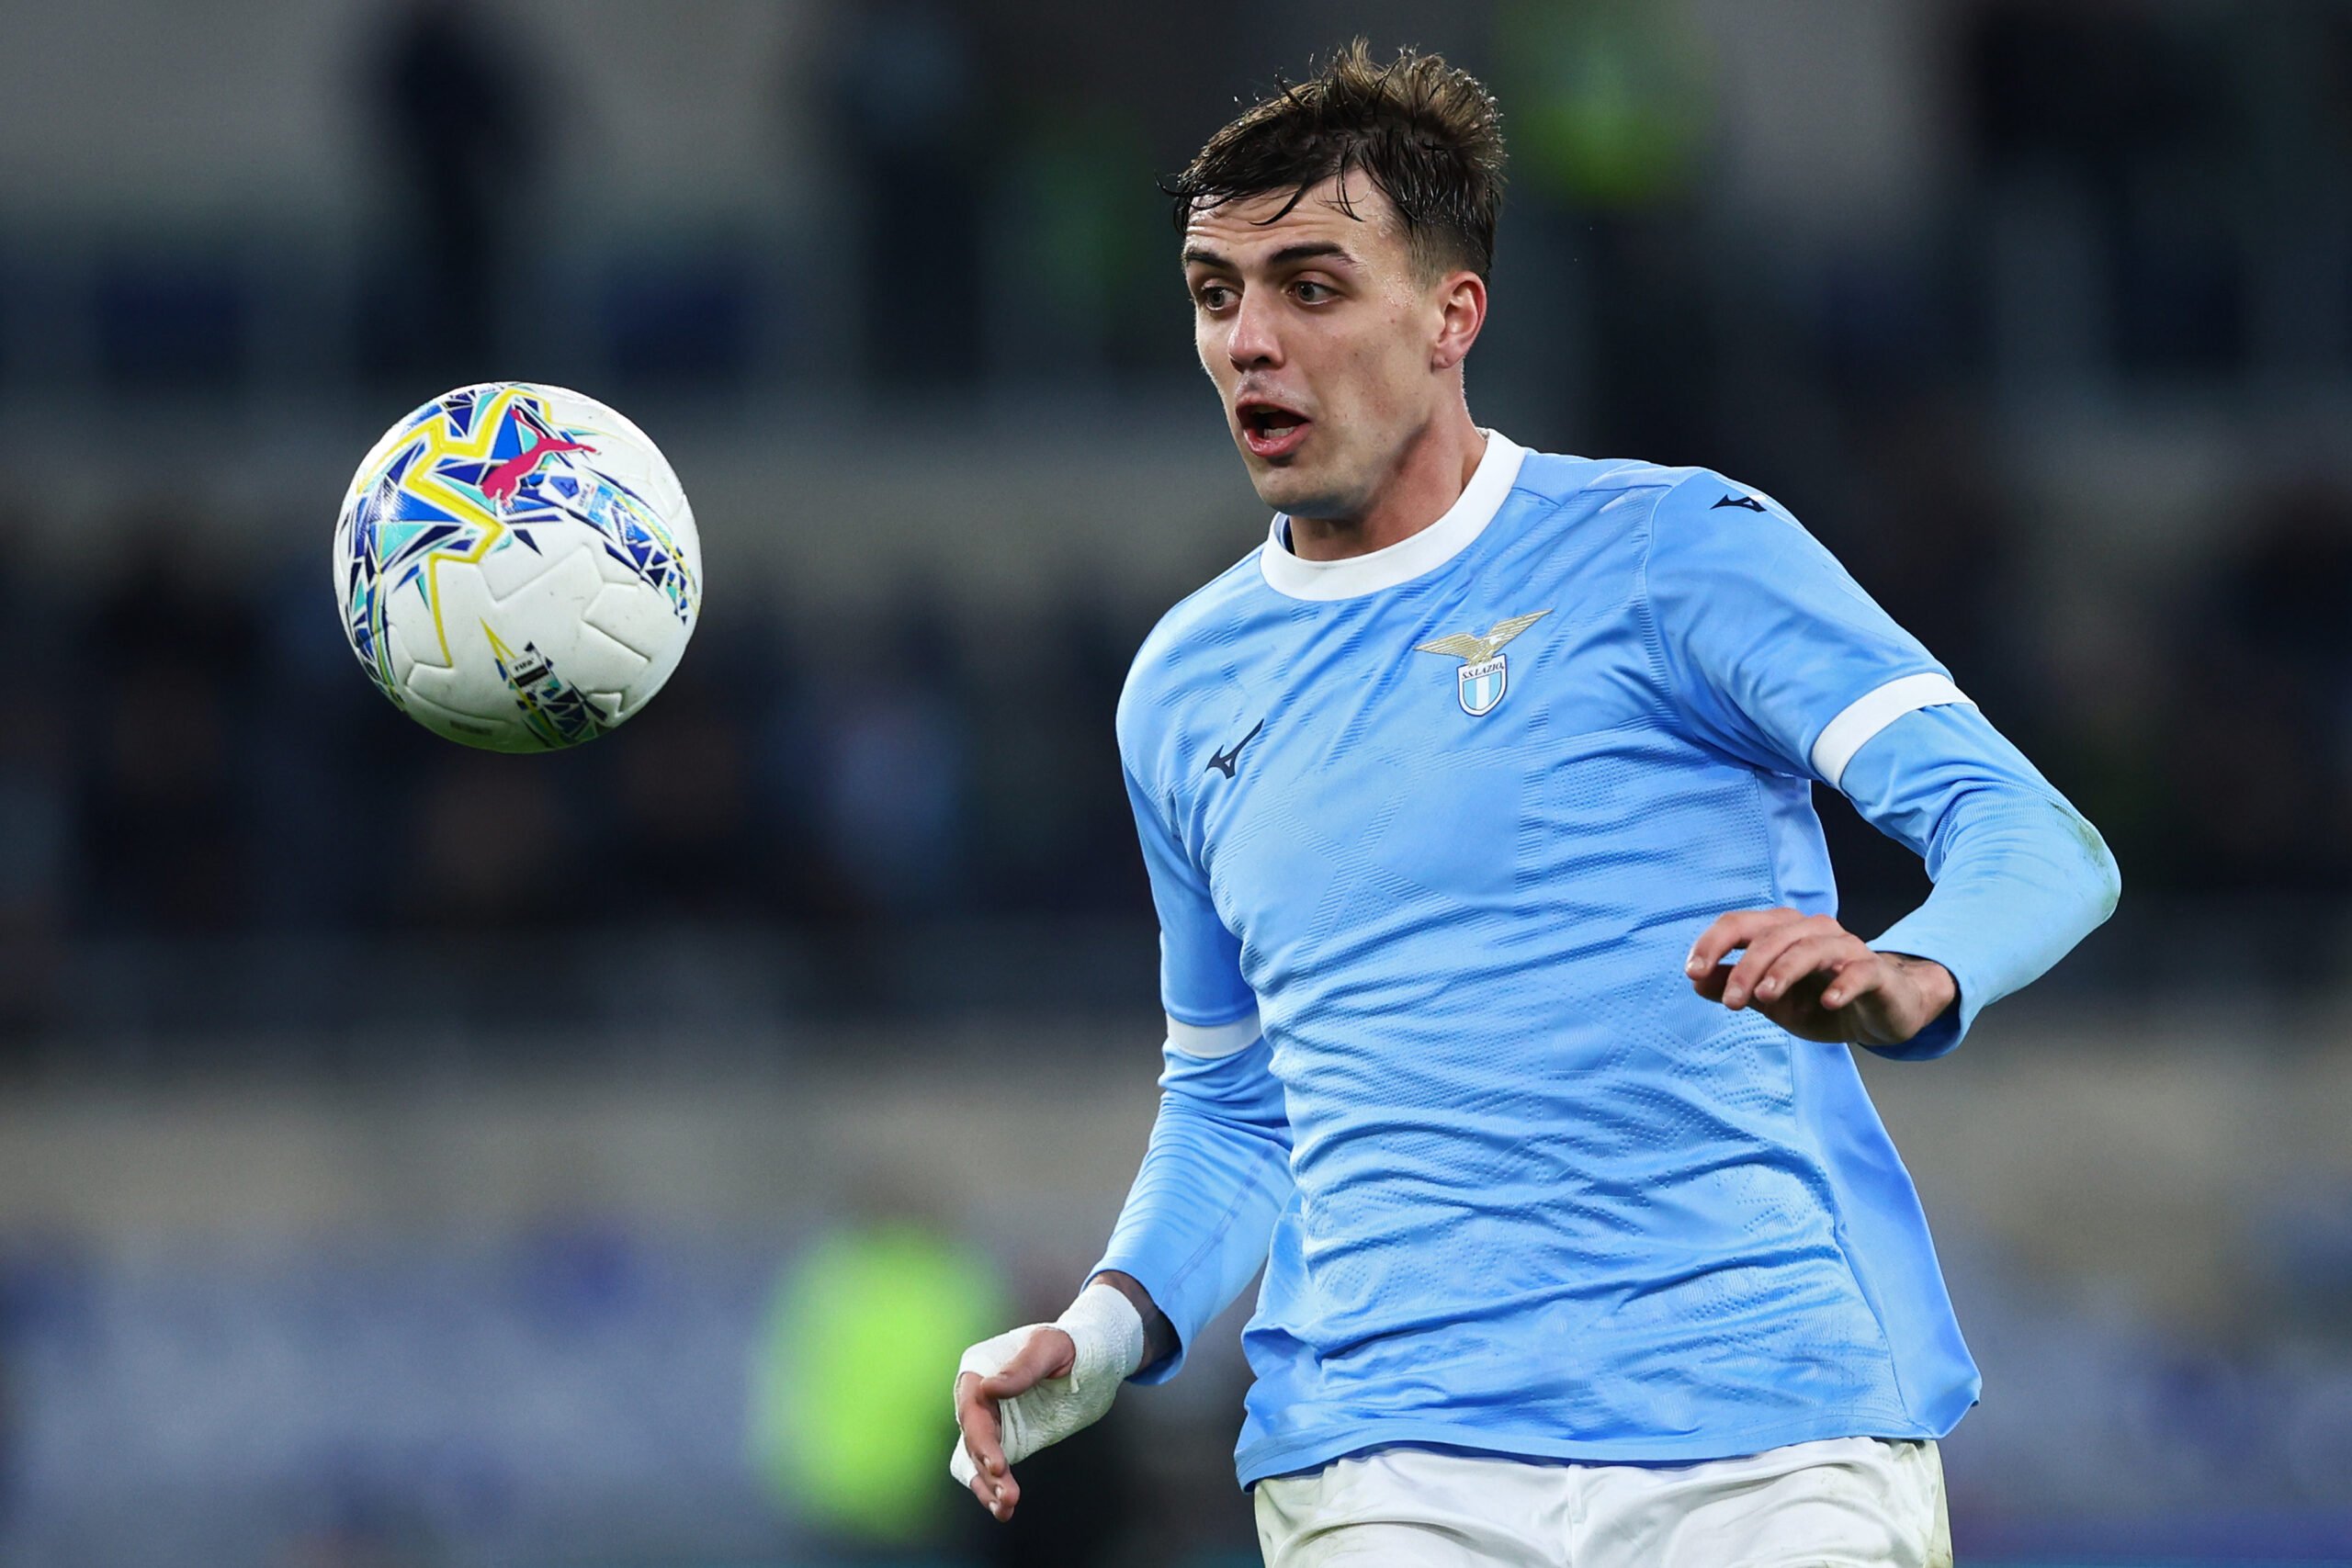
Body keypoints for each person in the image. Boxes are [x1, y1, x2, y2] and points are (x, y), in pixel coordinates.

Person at [951, 41, 2119, 1567]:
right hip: (1385, 1464)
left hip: (1763, 1437)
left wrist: (1914, 970)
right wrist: (1105, 1330)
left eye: (1311, 287)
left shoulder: (1674, 550)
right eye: (1214, 292)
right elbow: (1238, 1102)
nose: (1250, 342)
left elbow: (2034, 837)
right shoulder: (1183, 687)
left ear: (1454, 315)